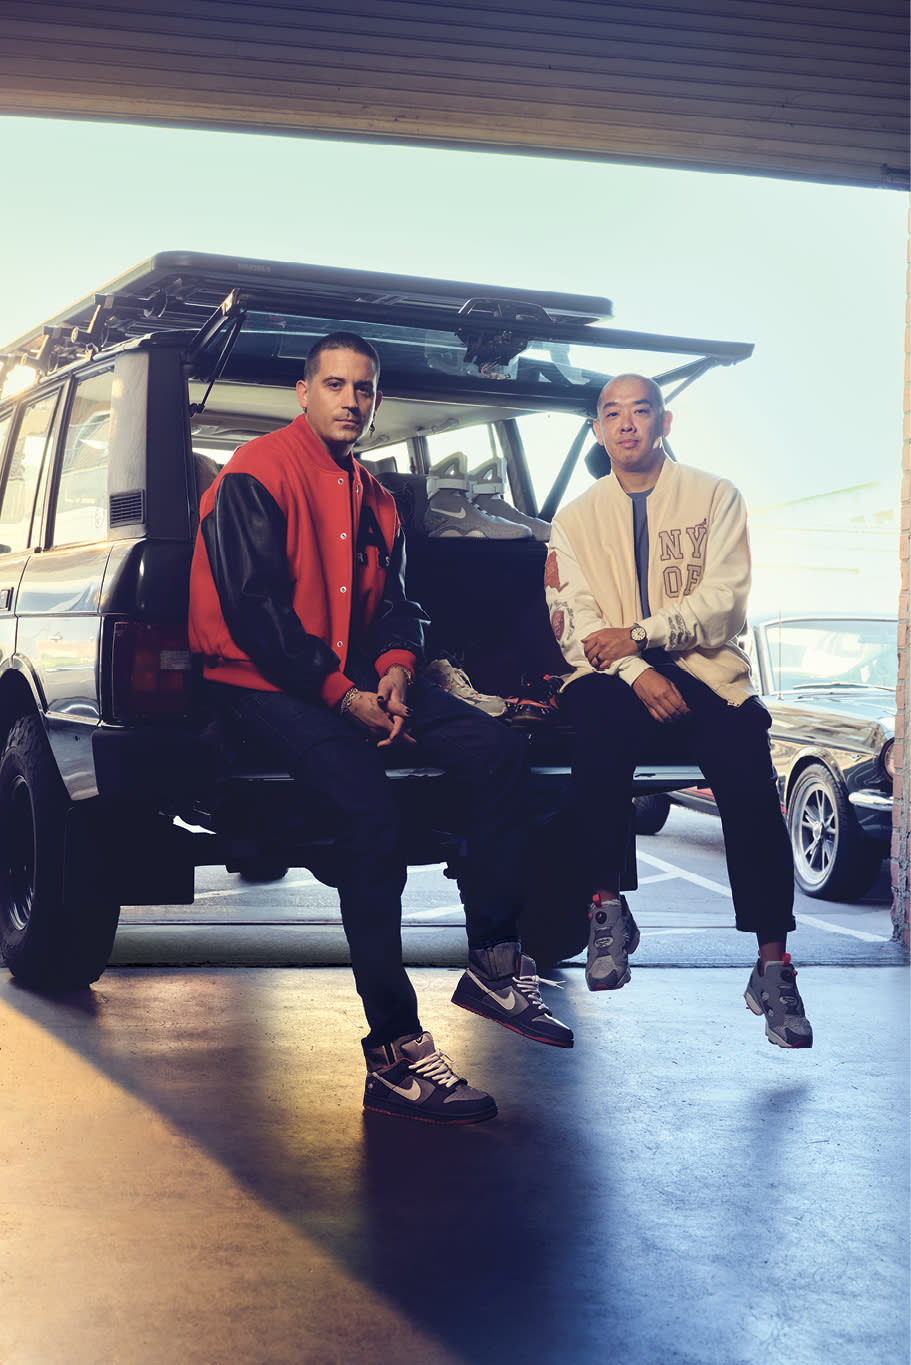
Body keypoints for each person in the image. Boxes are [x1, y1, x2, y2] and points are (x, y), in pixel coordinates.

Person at [188, 331, 572, 1125]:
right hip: (259, 683)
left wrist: (396, 665)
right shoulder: (255, 473)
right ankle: (393, 1052)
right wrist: (341, 695)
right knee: (370, 811)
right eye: (335, 385)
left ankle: (495, 966)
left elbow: (399, 604)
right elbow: (254, 617)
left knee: (499, 751)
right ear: (304, 392)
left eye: (363, 389)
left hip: (355, 675)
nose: (350, 401)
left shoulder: (377, 497)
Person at [545, 373, 812, 1049]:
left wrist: (642, 636)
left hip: (703, 669)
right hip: (612, 675)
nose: (626, 423)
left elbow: (725, 601)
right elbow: (576, 619)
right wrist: (634, 669)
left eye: (640, 411)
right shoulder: (575, 517)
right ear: (598, 430)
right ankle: (603, 906)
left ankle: (773, 962)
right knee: (596, 735)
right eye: (612, 413)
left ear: (666, 423)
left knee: (748, 775)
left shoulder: (714, 495)